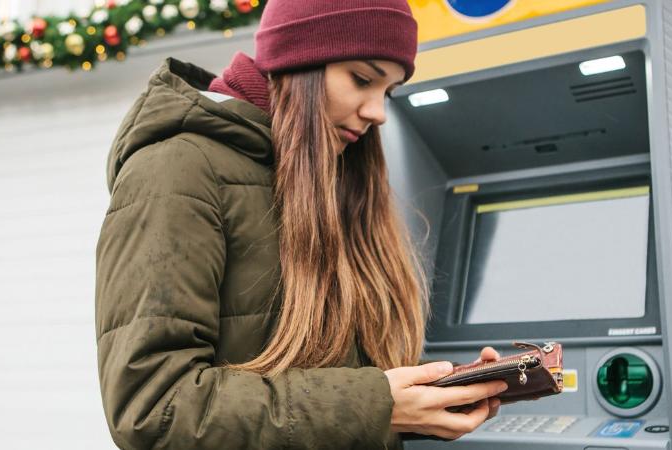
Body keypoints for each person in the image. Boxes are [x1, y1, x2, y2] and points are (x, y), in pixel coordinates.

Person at [95, 0, 506, 448]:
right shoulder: (177, 168)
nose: (378, 113)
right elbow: (152, 406)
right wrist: (375, 405)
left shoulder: (329, 172)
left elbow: (340, 384)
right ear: (298, 61)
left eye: (387, 92)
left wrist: (430, 400)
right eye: (362, 79)